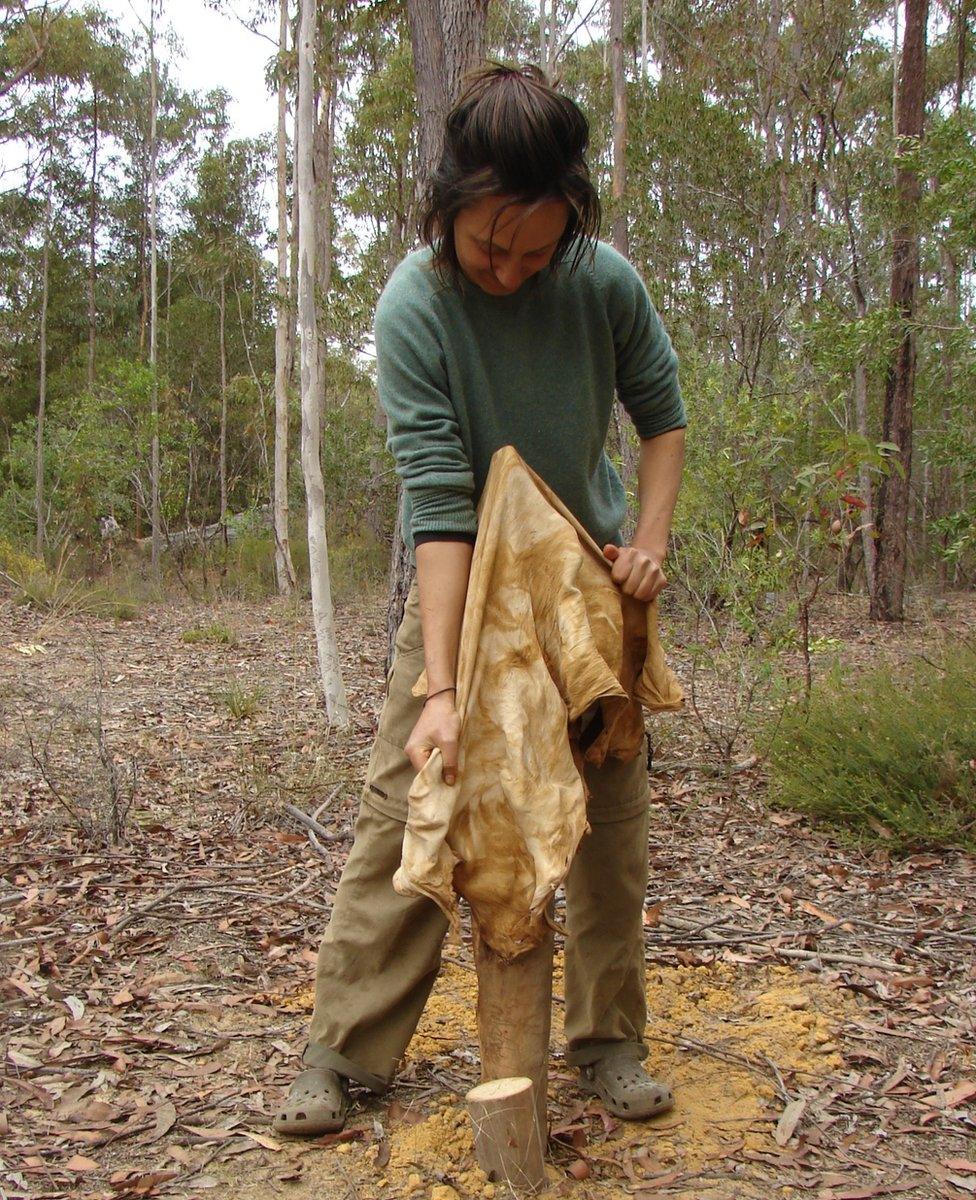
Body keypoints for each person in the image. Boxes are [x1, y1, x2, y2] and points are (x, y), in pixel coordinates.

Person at [274, 63, 687, 1138]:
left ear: (570, 223)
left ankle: (609, 1044)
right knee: (409, 806)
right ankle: (344, 1053)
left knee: (607, 826)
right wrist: (445, 688)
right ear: (448, 205)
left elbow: (662, 415)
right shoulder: (416, 305)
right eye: (487, 246)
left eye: (534, 251)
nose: (508, 271)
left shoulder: (603, 286)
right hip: (462, 585)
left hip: (587, 589)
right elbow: (440, 499)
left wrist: (645, 541)